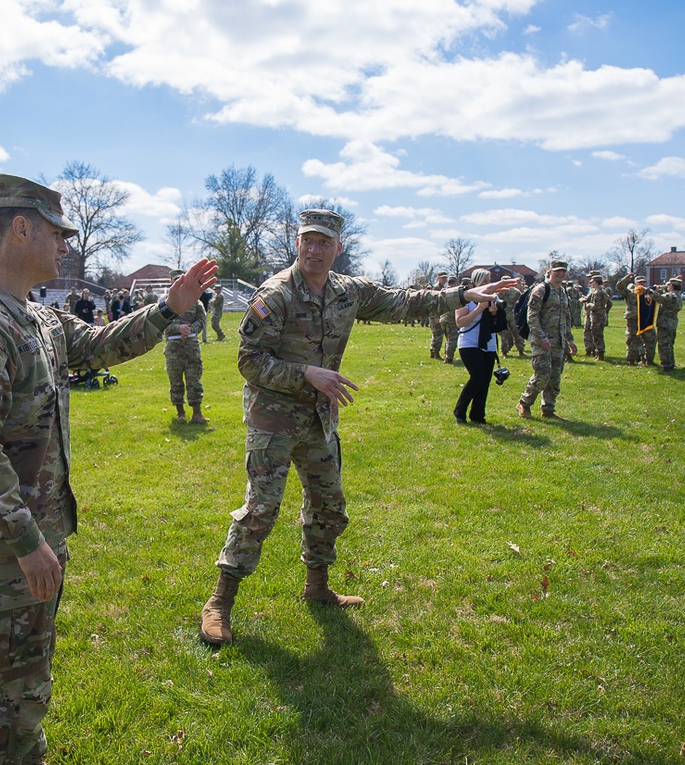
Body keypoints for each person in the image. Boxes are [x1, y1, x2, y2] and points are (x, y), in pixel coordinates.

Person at [0, 173, 217, 765]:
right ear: (20, 228)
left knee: (24, 689)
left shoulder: (33, 317)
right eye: (56, 232)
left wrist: (168, 308)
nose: (65, 244)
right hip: (3, 548)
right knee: (7, 699)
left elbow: (102, 346)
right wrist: (29, 543)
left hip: (28, 538)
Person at [199, 209, 516, 646]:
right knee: (261, 510)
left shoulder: (349, 291)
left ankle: (317, 587)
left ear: (337, 248)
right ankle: (220, 601)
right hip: (273, 418)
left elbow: (405, 301)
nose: (315, 249)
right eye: (308, 240)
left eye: (324, 242)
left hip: (318, 418)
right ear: (297, 244)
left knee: (329, 504)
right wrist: (307, 373)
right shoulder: (276, 295)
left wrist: (462, 292)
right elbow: (248, 362)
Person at [515, 260, 576, 420]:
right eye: (557, 271)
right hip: (541, 341)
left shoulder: (562, 291)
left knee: (555, 377)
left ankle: (548, 409)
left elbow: (566, 317)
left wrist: (569, 339)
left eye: (563, 271)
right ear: (549, 272)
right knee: (542, 373)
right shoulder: (541, 289)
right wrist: (541, 337)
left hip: (559, 342)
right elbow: (532, 316)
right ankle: (524, 403)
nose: (561, 274)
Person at [453, 268, 502, 424]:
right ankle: (459, 411)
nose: (487, 285)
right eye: (484, 282)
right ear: (475, 282)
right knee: (477, 377)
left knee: (485, 380)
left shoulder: (493, 298)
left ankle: (478, 415)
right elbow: (460, 322)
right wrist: (479, 309)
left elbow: (500, 325)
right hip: (469, 343)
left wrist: (494, 313)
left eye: (489, 281)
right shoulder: (465, 299)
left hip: (488, 343)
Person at [164, 268, 209, 422]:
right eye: (176, 281)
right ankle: (180, 413)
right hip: (173, 346)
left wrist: (190, 329)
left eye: (181, 280)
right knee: (175, 380)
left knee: (194, 379)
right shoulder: (164, 303)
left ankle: (197, 413)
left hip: (191, 345)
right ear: (171, 282)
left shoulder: (196, 302)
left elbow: (202, 320)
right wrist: (178, 328)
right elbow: (161, 324)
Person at [615, 273, 656, 365]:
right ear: (636, 283)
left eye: (644, 282)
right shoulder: (630, 292)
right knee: (632, 339)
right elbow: (619, 287)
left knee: (650, 339)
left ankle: (648, 359)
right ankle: (631, 360)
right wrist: (626, 278)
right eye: (640, 282)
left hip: (646, 319)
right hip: (633, 319)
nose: (642, 284)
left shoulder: (649, 293)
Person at [652, 277, 683, 371]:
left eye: (669, 285)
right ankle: (671, 363)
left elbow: (661, 298)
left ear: (672, 286)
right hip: (672, 323)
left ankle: (666, 365)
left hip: (665, 323)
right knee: (669, 344)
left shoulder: (671, 296)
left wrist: (648, 291)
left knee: (663, 345)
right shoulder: (677, 296)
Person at [579, 272, 609, 360]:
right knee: (596, 334)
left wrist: (588, 305)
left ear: (595, 282)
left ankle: (600, 353)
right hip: (598, 316)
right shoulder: (600, 291)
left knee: (597, 335)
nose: (590, 283)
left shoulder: (598, 292)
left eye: (592, 281)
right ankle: (598, 353)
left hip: (597, 317)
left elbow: (596, 306)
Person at [498, 281, 526, 357]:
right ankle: (520, 351)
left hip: (504, 316)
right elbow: (521, 303)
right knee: (516, 334)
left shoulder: (499, 291)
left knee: (505, 334)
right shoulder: (516, 292)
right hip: (513, 316)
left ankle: (505, 352)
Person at [428, 271, 450, 359]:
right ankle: (435, 352)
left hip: (439, 314)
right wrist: (436, 317)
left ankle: (433, 352)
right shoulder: (436, 288)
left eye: (445, 278)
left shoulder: (442, 288)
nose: (444, 279)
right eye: (442, 278)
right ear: (438, 278)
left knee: (437, 334)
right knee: (438, 334)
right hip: (434, 315)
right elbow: (434, 304)